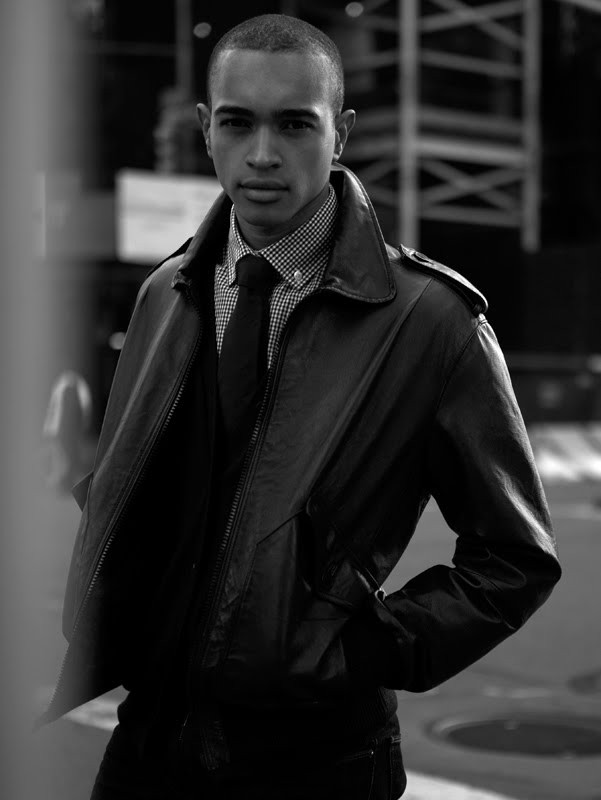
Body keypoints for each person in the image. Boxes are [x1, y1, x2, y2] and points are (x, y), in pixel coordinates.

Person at [40, 13, 561, 800]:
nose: (261, 154)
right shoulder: (165, 293)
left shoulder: (431, 322)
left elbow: (514, 558)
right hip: (147, 736)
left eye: (293, 124)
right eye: (237, 123)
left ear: (339, 132)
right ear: (204, 128)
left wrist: (366, 649)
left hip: (320, 758)